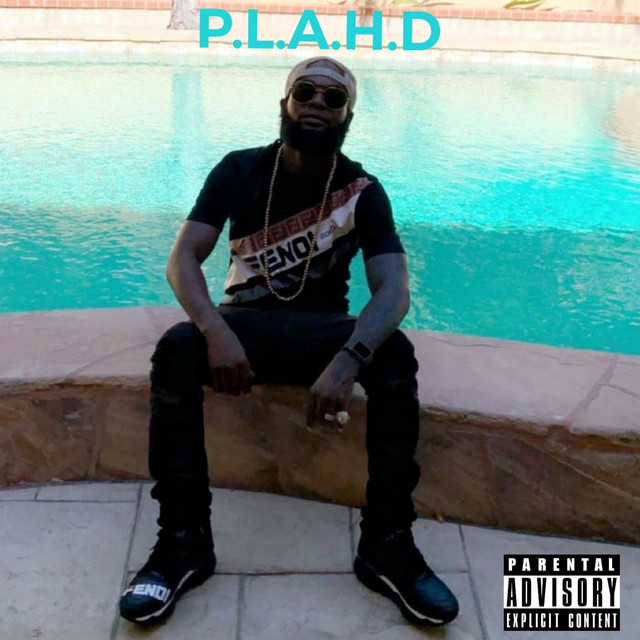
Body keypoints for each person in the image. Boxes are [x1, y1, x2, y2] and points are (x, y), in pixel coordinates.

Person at [119, 56, 459, 628]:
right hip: (241, 327)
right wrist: (216, 332)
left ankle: (387, 544)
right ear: (285, 103)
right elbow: (183, 260)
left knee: (394, 354)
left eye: (333, 98)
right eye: (305, 92)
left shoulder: (363, 191)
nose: (317, 104)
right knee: (176, 349)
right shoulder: (239, 169)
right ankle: (182, 541)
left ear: (348, 116)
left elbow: (394, 290)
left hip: (321, 333)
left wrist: (349, 360)